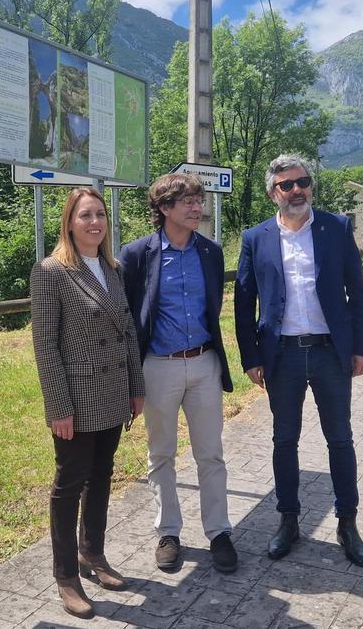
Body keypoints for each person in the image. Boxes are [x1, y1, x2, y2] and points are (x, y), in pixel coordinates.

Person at [233, 154, 363, 567]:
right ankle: (288, 521)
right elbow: (244, 303)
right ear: (273, 193)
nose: (297, 191)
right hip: (283, 357)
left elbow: (357, 293)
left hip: (331, 352)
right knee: (284, 440)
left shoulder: (336, 228)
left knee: (340, 440)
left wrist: (360, 347)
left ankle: (348, 523)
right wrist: (250, 357)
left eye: (303, 182)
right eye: (286, 185)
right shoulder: (255, 237)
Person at [30, 187, 146, 619]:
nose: (94, 222)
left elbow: (129, 332)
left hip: (114, 391)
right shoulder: (51, 271)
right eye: (85, 215)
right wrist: (58, 407)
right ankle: (66, 576)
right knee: (69, 484)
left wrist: (137, 387)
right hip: (76, 399)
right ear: (69, 222)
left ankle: (92, 554)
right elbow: (45, 345)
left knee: (102, 476)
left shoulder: (112, 268)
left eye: (100, 214)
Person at [119, 173, 238, 574]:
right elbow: (129, 314)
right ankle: (168, 532)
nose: (196, 208)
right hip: (158, 367)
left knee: (211, 454)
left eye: (198, 200)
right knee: (161, 455)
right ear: (164, 208)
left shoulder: (210, 251)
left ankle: (219, 532)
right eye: (186, 201)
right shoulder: (137, 254)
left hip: (204, 363)